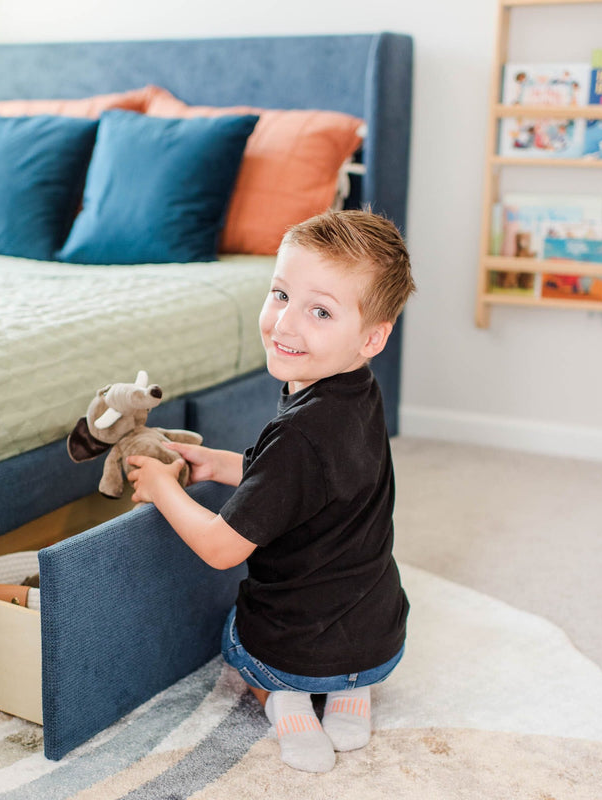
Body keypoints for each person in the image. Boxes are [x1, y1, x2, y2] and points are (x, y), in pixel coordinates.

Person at [126, 208, 416, 773]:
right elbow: (313, 486)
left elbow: (219, 549)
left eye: (321, 310)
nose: (285, 324)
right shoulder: (359, 392)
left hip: (296, 651)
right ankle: (352, 695)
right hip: (381, 637)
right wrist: (219, 464)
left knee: (234, 635)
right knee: (348, 635)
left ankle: (285, 702)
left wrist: (163, 486)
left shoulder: (296, 435)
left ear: (373, 336)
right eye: (280, 294)